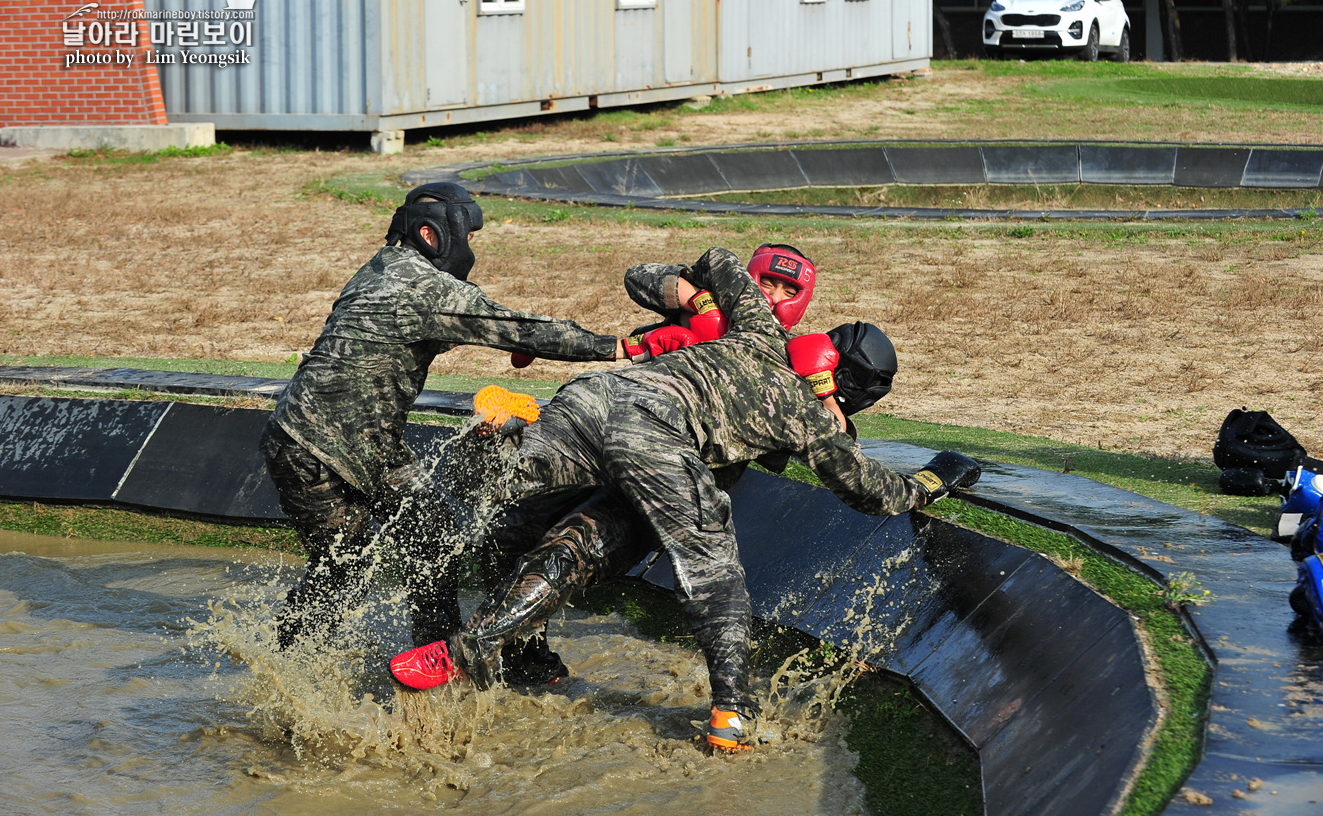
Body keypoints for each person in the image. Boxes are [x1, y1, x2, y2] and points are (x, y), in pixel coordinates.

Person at [390, 246, 980, 751]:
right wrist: (936, 477)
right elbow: (876, 493)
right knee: (714, 574)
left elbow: (718, 259)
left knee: (542, 516)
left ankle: (496, 441)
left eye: (782, 286)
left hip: (596, 400)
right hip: (658, 439)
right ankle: (732, 714)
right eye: (767, 282)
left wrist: (709, 302)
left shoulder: (752, 325)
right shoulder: (808, 416)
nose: (770, 293)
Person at [260, 182, 624, 654]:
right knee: (345, 565)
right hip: (313, 447)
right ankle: (285, 665)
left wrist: (513, 338)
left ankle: (433, 653)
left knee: (432, 535)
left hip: (368, 445)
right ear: (434, 235)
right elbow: (509, 324)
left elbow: (438, 327)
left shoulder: (382, 270)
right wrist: (625, 347)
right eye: (468, 236)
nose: (470, 247)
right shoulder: (422, 286)